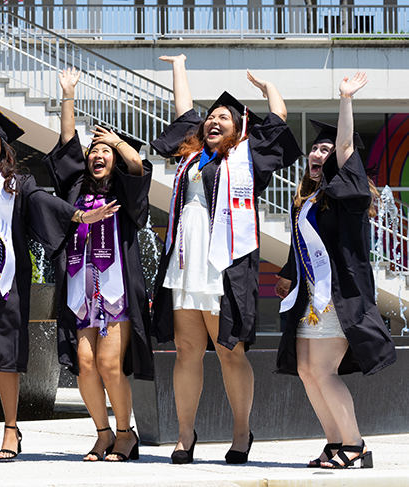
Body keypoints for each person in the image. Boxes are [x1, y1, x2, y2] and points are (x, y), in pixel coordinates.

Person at [0, 53, 117, 461]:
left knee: (3, 353)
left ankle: (12, 430)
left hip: (5, 277)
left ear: (3, 147)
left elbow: (42, 203)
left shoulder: (17, 183)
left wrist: (79, 214)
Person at [151, 54, 300, 464]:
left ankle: (240, 432)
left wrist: (268, 88)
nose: (213, 121)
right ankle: (185, 436)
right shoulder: (190, 157)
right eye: (210, 117)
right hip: (185, 264)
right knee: (186, 349)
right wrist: (179, 66)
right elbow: (184, 113)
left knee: (230, 350)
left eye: (224, 118)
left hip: (224, 263)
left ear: (239, 128)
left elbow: (278, 120)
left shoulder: (246, 159)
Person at [275, 72, 396, 469]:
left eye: (326, 150)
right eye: (315, 148)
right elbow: (302, 247)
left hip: (339, 300)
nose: (318, 153)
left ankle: (356, 445)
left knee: (324, 371)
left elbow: (346, 145)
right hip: (311, 301)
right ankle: (334, 442)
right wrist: (289, 273)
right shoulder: (308, 202)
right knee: (309, 371)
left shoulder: (350, 196)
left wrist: (345, 99)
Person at [48, 68, 153, 462]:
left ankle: (127, 434)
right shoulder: (76, 190)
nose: (98, 154)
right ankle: (103, 433)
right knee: (85, 365)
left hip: (115, 293)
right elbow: (66, 146)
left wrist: (118, 142)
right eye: (95, 150)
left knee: (110, 364)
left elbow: (139, 169)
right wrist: (68, 96)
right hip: (79, 291)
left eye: (105, 152)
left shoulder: (125, 194)